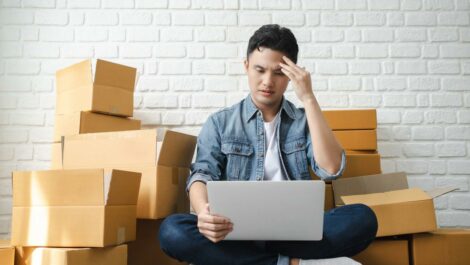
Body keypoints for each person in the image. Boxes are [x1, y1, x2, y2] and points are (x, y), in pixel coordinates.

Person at [159, 24, 378, 265]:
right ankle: (290, 263)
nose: (267, 81)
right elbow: (201, 174)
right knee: (172, 230)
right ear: (246, 66)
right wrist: (203, 214)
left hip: (292, 233)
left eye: (279, 73)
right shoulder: (220, 123)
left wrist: (308, 97)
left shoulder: (303, 121)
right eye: (259, 70)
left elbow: (331, 169)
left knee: (363, 218)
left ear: (293, 74)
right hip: (234, 232)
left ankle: (254, 261)